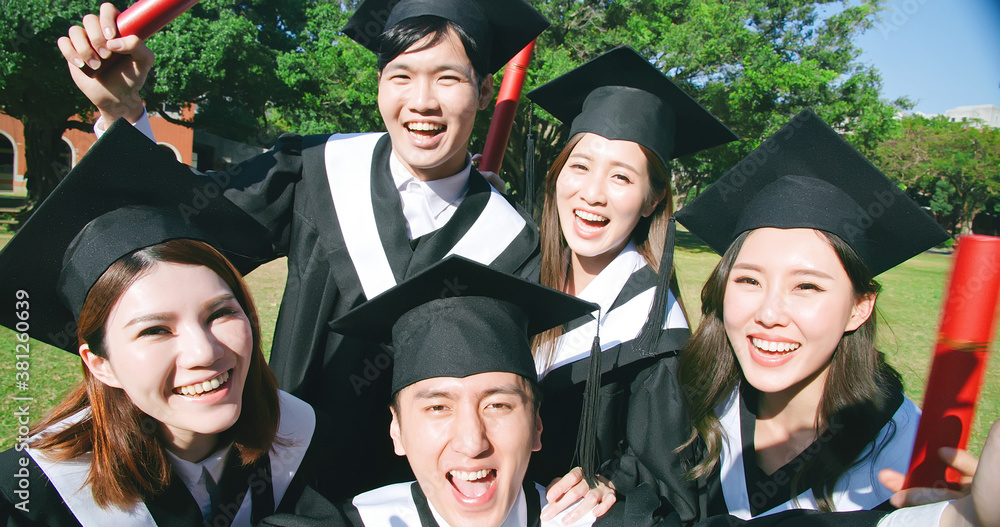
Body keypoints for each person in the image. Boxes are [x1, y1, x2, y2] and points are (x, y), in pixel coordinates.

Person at [57, 0, 549, 498]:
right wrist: (123, 111)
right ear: (379, 83)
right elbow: (176, 228)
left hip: (418, 498)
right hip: (279, 473)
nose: (422, 101)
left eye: (449, 79)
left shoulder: (511, 242)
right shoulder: (316, 170)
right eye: (401, 76)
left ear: (485, 90)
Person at [607, 108, 951, 521]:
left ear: (860, 307)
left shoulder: (905, 456)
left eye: (806, 286)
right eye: (749, 281)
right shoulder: (679, 403)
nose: (769, 313)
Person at [0, 124, 331, 525]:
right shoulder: (29, 498)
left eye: (220, 313)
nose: (204, 352)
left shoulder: (299, 438)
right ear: (99, 363)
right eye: (155, 330)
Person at [523, 45, 737, 490]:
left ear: (653, 199)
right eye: (579, 166)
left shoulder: (655, 339)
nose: (593, 193)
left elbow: (663, 482)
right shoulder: (520, 275)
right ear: (557, 175)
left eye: (621, 177)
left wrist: (611, 490)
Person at [259, 256, 607, 526]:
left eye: (498, 405)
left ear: (537, 426)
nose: (472, 442)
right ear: (396, 431)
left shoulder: (591, 519)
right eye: (438, 408)